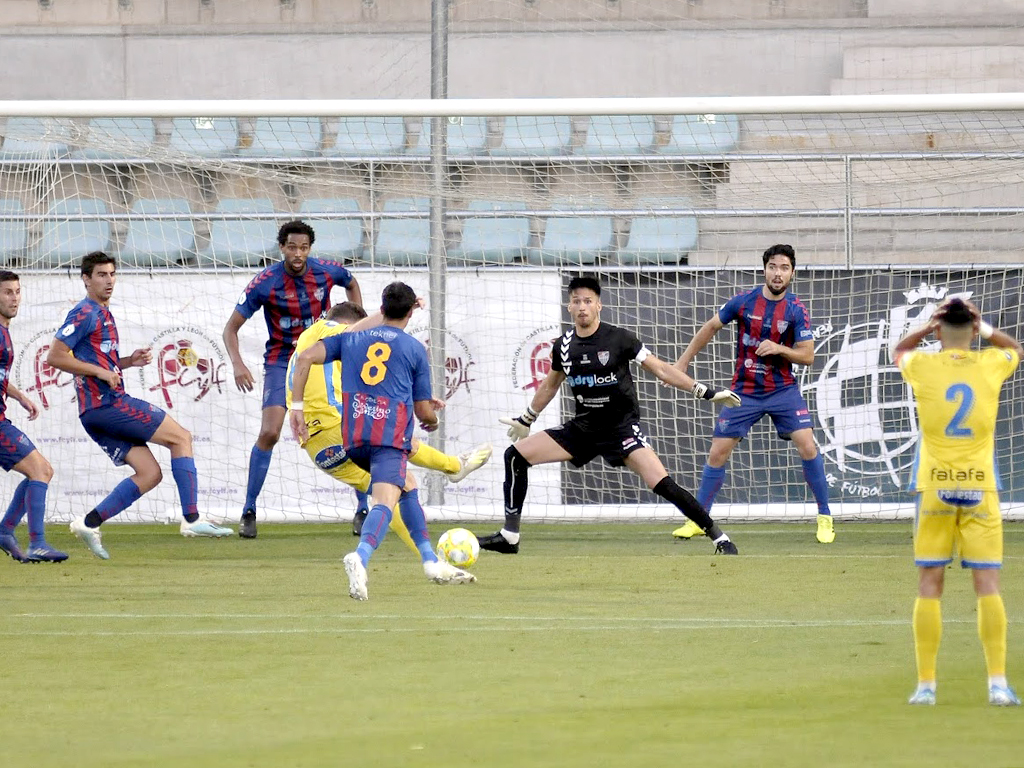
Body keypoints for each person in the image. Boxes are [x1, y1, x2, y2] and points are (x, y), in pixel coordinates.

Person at [476, 275, 741, 556]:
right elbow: (551, 384)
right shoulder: (563, 345)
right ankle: (510, 536)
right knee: (515, 455)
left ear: (599, 305)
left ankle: (719, 537)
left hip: (621, 429)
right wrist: (527, 418)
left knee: (662, 484)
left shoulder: (620, 339)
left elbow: (661, 369)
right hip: (582, 429)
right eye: (576, 301)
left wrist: (706, 392)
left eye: (588, 301)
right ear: (569, 307)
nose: (582, 306)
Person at [289, 282, 476, 600]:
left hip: (352, 438)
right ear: (410, 311)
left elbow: (306, 357)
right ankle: (360, 557)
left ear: (382, 307)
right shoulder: (414, 349)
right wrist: (432, 418)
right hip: (386, 438)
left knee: (408, 484)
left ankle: (431, 561)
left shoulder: (349, 340)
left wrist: (296, 407)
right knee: (385, 502)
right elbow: (423, 413)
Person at [48, 252, 232, 560]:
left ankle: (89, 523)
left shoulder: (103, 313)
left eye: (112, 274)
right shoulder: (85, 312)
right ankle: (192, 519)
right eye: (101, 275)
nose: (109, 281)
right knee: (181, 437)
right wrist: (101, 372)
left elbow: (98, 362)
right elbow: (55, 356)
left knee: (149, 473)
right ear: (86, 279)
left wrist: (127, 363)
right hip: (107, 405)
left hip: (94, 412)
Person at [894, 297, 1022, 707]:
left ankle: (926, 686)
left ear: (939, 331)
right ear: (971, 331)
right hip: (981, 487)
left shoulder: (924, 365)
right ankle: (997, 684)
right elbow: (1017, 349)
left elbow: (899, 351)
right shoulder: (990, 364)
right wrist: (985, 330)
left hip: (934, 487)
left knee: (930, 585)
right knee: (987, 585)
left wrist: (924, 330)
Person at [672, 243, 835, 544]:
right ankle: (698, 519)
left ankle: (825, 517)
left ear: (792, 273)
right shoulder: (744, 302)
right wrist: (683, 363)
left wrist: (779, 349)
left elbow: (808, 356)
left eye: (784, 268)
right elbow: (710, 327)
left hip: (782, 390)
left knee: (808, 446)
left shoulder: (796, 310)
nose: (778, 273)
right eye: (773, 266)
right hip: (744, 391)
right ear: (764, 269)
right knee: (718, 451)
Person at [223, 220, 362, 539]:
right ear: (282, 247)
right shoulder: (265, 281)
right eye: (292, 247)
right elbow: (230, 328)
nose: (298, 253)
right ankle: (248, 509)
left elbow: (350, 281)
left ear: (310, 249)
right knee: (270, 432)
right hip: (282, 360)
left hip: (325, 354)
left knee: (351, 428)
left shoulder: (326, 271)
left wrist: (358, 318)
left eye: (304, 247)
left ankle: (362, 507)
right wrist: (238, 363)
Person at [0, 271, 68, 563]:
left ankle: (5, 531)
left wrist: (20, 396)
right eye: (7, 292)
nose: (15, 298)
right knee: (40, 471)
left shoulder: (4, 331)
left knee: (40, 471)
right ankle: (36, 542)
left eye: (17, 291)